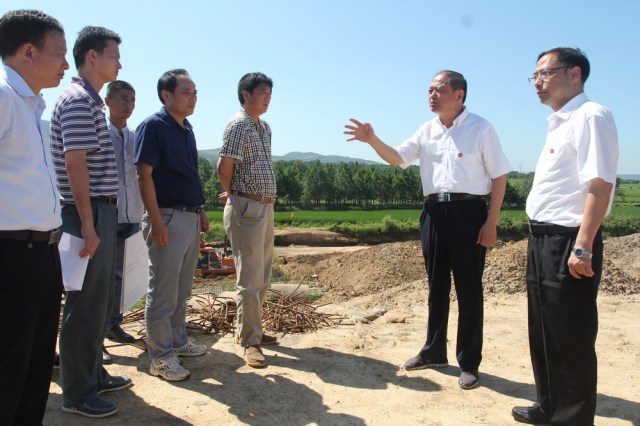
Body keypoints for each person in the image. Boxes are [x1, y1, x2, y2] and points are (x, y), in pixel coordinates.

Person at [344, 70, 511, 389]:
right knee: (436, 286)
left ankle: (469, 362)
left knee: (469, 289)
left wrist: (491, 222)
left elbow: (499, 176)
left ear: (459, 94)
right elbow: (397, 158)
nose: (431, 95)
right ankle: (434, 351)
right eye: (429, 90)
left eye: (438, 90)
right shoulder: (427, 130)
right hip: (434, 212)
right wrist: (372, 140)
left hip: (469, 213)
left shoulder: (481, 128)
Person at [511, 48, 618, 426]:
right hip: (542, 239)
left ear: (574, 74)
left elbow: (600, 185)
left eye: (545, 73)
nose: (537, 82)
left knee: (570, 335)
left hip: (569, 240)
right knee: (544, 330)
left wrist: (583, 246)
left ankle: (571, 418)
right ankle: (549, 405)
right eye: (535, 75)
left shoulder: (591, 116)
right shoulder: (559, 122)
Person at [50, 26, 131, 419]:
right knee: (84, 305)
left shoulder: (90, 102)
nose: (119, 64)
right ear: (93, 57)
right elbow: (75, 164)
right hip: (88, 212)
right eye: (114, 56)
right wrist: (87, 223)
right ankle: (78, 392)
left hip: (100, 211)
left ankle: (93, 375)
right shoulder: (79, 101)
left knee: (99, 302)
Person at [0, 10, 68, 425]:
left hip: (42, 253)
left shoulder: (31, 106)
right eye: (58, 53)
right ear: (28, 51)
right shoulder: (4, 98)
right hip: (11, 255)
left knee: (35, 365)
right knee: (9, 368)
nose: (65, 64)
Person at [136, 69, 209, 382]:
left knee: (181, 288)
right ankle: (161, 356)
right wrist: (155, 219)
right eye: (186, 92)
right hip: (166, 216)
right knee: (164, 291)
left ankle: (178, 340)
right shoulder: (154, 126)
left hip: (188, 216)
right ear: (166, 95)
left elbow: (189, 172)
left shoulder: (186, 129)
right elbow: (144, 175)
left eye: (195, 92)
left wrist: (200, 209)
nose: (193, 98)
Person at [217, 72, 278, 368]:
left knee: (262, 274)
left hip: (264, 206)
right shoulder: (238, 124)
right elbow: (224, 165)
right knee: (249, 278)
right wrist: (233, 195)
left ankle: (254, 329)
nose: (267, 99)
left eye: (269, 94)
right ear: (246, 94)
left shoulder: (264, 127)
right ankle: (249, 341)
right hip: (247, 207)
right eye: (262, 93)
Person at [104, 80, 143, 347]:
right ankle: (96, 336)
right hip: (107, 215)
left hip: (132, 215)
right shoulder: (100, 134)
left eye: (132, 100)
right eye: (123, 99)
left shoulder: (135, 137)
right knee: (101, 277)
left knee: (122, 275)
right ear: (108, 102)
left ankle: (112, 324)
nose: (128, 105)